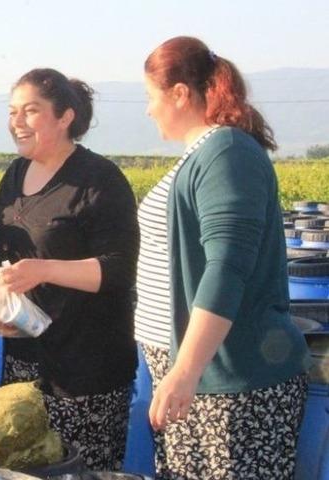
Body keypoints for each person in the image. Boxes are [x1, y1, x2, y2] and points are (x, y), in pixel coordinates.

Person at [137, 36, 310, 479]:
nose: (147, 110)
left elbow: (227, 267)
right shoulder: (204, 154)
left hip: (230, 383)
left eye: (150, 97)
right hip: (196, 380)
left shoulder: (227, 153)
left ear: (179, 94)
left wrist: (186, 370)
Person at [0, 68, 139, 471]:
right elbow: (6, 258)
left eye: (30, 111)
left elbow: (118, 270)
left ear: (65, 116)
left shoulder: (99, 181)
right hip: (25, 364)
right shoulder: (15, 176)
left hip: (87, 370)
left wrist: (44, 269)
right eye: (12, 111)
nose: (16, 122)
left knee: (80, 471)